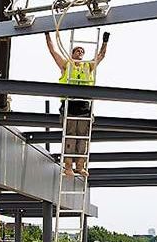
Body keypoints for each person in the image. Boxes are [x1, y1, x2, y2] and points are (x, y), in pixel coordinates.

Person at [45, 31, 110, 177]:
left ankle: (80, 166)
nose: (80, 52)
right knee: (70, 137)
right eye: (77, 50)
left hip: (84, 108)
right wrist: (47, 34)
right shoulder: (66, 65)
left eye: (82, 51)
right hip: (70, 106)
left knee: (83, 138)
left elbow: (101, 56)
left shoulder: (88, 66)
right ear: (72, 53)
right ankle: (68, 167)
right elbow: (52, 51)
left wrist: (105, 42)